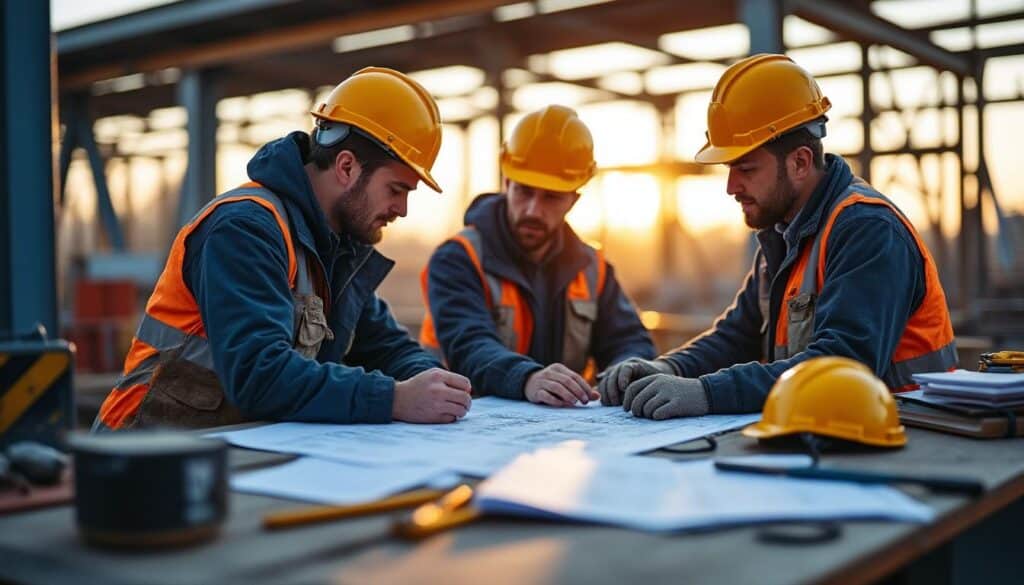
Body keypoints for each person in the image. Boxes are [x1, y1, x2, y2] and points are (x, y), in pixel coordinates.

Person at [94, 67, 472, 431]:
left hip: (222, 449)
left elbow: (384, 345)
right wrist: (393, 399)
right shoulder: (244, 229)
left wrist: (435, 384)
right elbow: (260, 375)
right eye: (396, 190)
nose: (401, 210)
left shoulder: (335, 250)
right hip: (139, 450)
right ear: (346, 167)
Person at [598, 54, 957, 420]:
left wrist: (707, 393)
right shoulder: (784, 235)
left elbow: (842, 367)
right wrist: (668, 367)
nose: (731, 187)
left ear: (800, 162)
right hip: (835, 432)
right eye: (729, 168)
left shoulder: (868, 229)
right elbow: (737, 336)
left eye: (746, 169)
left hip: (911, 432)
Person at [420, 105, 655, 407]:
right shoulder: (458, 258)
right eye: (524, 191)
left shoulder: (592, 268)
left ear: (573, 200)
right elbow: (468, 344)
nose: (533, 209)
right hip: (462, 419)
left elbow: (629, 340)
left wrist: (627, 371)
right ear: (506, 183)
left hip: (560, 427)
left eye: (551, 197)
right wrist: (527, 378)